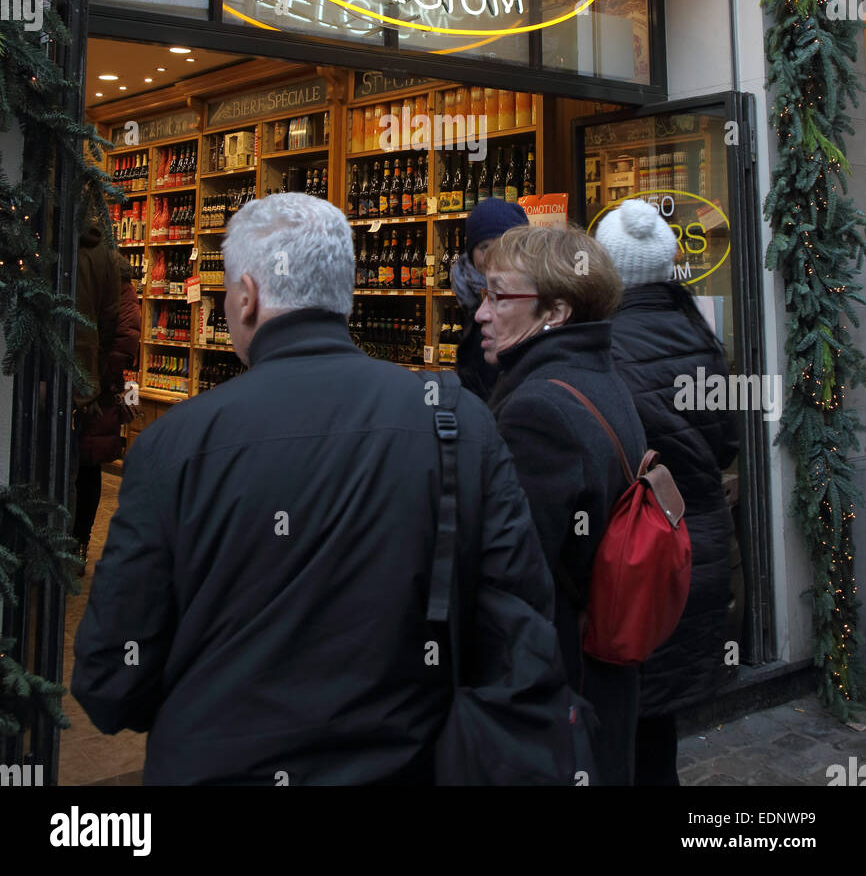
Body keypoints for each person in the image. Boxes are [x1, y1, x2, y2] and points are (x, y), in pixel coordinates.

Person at [71, 193, 575, 786]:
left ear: (248, 296)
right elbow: (521, 631)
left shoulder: (169, 447)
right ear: (346, 292)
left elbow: (109, 683)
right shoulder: (457, 423)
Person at [476, 221, 647, 786]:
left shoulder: (539, 410)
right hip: (602, 678)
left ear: (555, 311)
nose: (481, 312)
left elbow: (513, 574)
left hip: (558, 685)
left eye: (499, 296)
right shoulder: (597, 374)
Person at [596, 197, 739, 787]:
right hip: (696, 551)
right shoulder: (697, 331)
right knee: (656, 732)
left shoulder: (603, 344)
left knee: (622, 728)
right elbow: (728, 442)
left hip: (639, 558)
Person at [72, 252, 141, 571]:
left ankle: (77, 543)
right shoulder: (103, 273)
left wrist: (99, 379)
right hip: (88, 385)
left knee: (85, 467)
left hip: (93, 389)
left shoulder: (113, 279)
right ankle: (71, 543)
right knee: (83, 468)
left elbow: (125, 339)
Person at [72, 210, 122, 573]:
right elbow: (111, 319)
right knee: (85, 465)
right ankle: (76, 546)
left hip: (50, 372)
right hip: (87, 378)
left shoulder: (44, 238)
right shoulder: (104, 253)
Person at [450, 197, 529, 400]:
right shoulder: (469, 299)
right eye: (484, 247)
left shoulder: (529, 301)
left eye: (502, 243)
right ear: (471, 253)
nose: (494, 254)